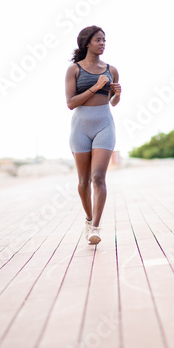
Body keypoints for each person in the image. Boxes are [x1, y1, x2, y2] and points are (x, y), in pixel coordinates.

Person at [65, 25, 121, 245]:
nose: (102, 44)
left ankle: (95, 227)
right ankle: (88, 219)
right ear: (87, 42)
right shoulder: (74, 70)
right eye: (98, 40)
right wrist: (95, 86)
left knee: (98, 177)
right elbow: (70, 103)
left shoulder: (111, 69)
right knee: (83, 181)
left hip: (104, 124)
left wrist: (116, 95)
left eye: (104, 40)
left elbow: (112, 102)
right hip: (80, 126)